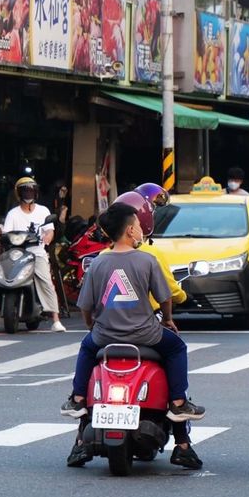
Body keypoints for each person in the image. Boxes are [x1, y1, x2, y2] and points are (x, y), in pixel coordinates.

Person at [61, 201, 205, 470]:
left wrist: (94, 327)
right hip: (146, 335)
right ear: (129, 230)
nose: (141, 230)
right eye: (138, 226)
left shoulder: (98, 263)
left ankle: (79, 398)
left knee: (86, 349)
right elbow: (165, 298)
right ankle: (177, 404)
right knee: (176, 349)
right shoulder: (147, 259)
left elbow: (85, 307)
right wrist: (170, 320)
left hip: (105, 337)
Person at [0, 176, 66, 332]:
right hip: (16, 253)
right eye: (25, 191)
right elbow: (6, 233)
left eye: (31, 191)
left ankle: (55, 319)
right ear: (19, 194)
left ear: (36, 193)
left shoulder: (43, 211)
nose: (28, 194)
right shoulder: (13, 214)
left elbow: (49, 231)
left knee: (46, 281)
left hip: (37, 253)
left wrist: (47, 237)